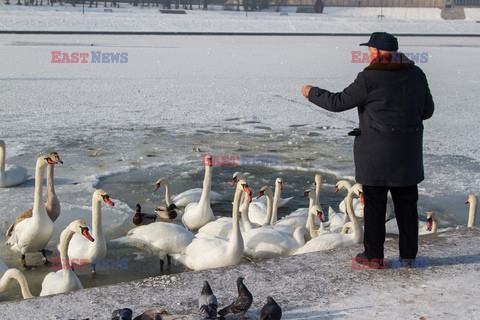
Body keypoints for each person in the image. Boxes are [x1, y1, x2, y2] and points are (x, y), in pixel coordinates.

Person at [302, 32, 434, 268]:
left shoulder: (369, 78)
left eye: (369, 50)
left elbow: (337, 102)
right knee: (407, 206)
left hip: (376, 156)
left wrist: (312, 92)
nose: (368, 54)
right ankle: (408, 258)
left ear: (375, 52)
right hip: (407, 154)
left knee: (374, 206)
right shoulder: (417, 74)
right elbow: (427, 111)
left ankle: (373, 257)